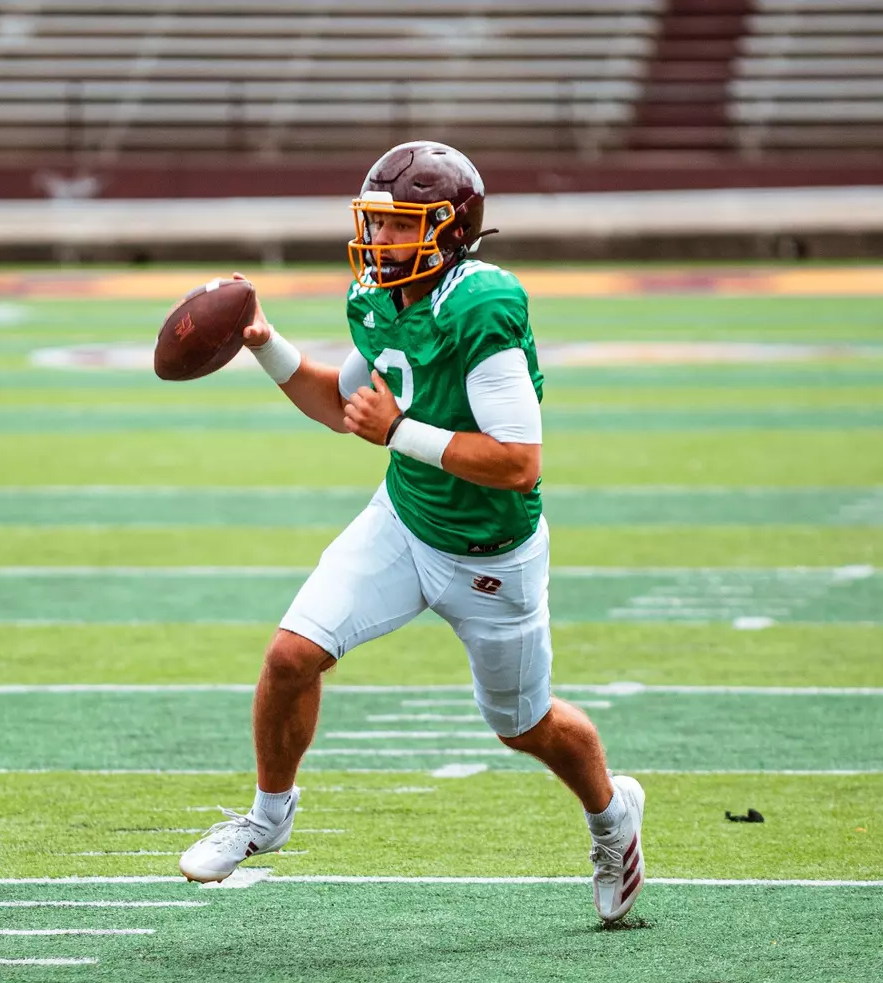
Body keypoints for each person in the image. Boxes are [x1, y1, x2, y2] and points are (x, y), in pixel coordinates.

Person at [178, 141, 648, 918]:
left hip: (491, 553)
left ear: (450, 231)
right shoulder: (377, 295)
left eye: (398, 226)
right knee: (291, 655)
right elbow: (347, 407)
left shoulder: (482, 304)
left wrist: (399, 433)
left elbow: (517, 462)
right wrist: (264, 344)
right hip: (403, 521)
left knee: (524, 726)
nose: (378, 241)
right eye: (375, 224)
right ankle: (266, 820)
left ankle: (611, 816)